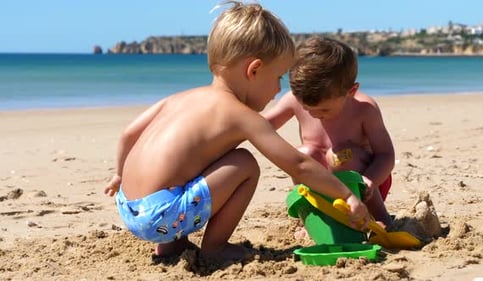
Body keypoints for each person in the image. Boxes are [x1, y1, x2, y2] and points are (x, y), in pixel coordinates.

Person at [104, 2, 370, 262]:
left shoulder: (181, 98)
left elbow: (129, 134)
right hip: (161, 216)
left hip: (128, 204)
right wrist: (345, 194)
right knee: (245, 163)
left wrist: (118, 174)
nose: (279, 90)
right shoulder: (242, 116)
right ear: (254, 70)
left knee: (193, 162)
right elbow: (298, 165)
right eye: (278, 77)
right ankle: (215, 249)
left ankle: (172, 247)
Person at [262, 36, 394, 227]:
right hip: (321, 185)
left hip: (366, 187)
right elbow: (261, 126)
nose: (315, 115)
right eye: (307, 108)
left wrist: (371, 179)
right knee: (304, 154)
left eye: (324, 110)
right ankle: (312, 220)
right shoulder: (294, 99)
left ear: (351, 91)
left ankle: (381, 218)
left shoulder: (364, 109)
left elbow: (386, 154)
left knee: (341, 155)